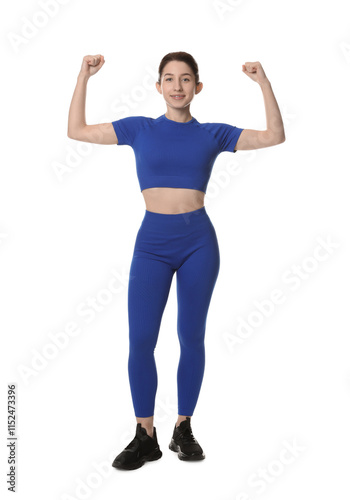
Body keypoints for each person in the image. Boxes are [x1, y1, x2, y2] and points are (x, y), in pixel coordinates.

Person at [67, 51, 285, 470]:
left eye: (186, 79)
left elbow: (274, 135)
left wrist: (262, 82)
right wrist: (84, 77)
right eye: (169, 78)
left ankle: (183, 427)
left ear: (197, 87)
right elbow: (76, 130)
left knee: (191, 337)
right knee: (141, 339)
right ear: (159, 86)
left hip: (198, 244)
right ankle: (144, 434)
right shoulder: (140, 129)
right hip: (151, 244)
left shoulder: (213, 134)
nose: (178, 86)